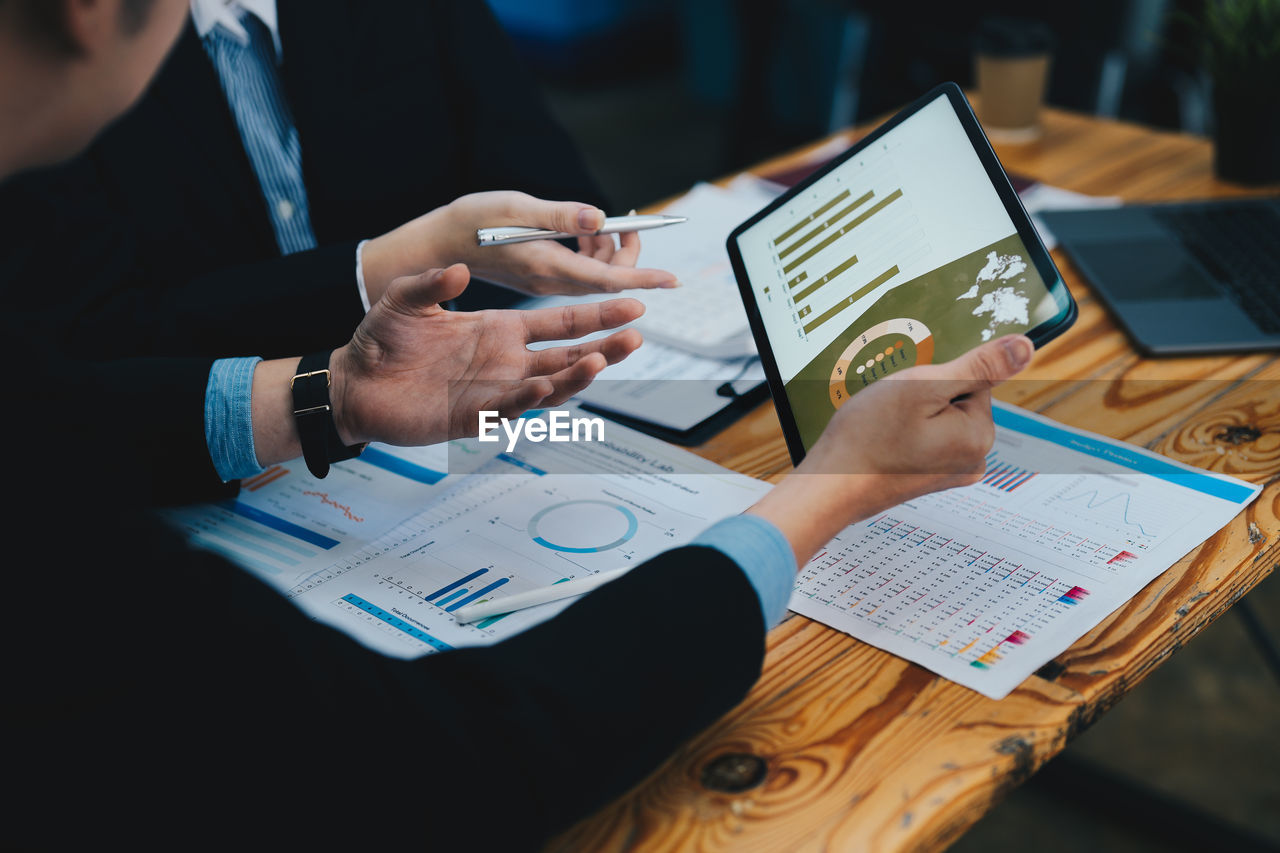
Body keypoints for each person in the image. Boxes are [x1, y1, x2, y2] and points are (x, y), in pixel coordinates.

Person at [0, 1, 1035, 848]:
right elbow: (442, 767)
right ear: (93, 15)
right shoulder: (71, 564)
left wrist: (330, 394)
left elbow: (48, 407)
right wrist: (827, 495)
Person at [0, 0, 673, 365]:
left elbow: (544, 178)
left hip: (449, 416)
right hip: (200, 470)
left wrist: (576, 237)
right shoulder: (65, 72)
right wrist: (400, 261)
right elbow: (86, 343)